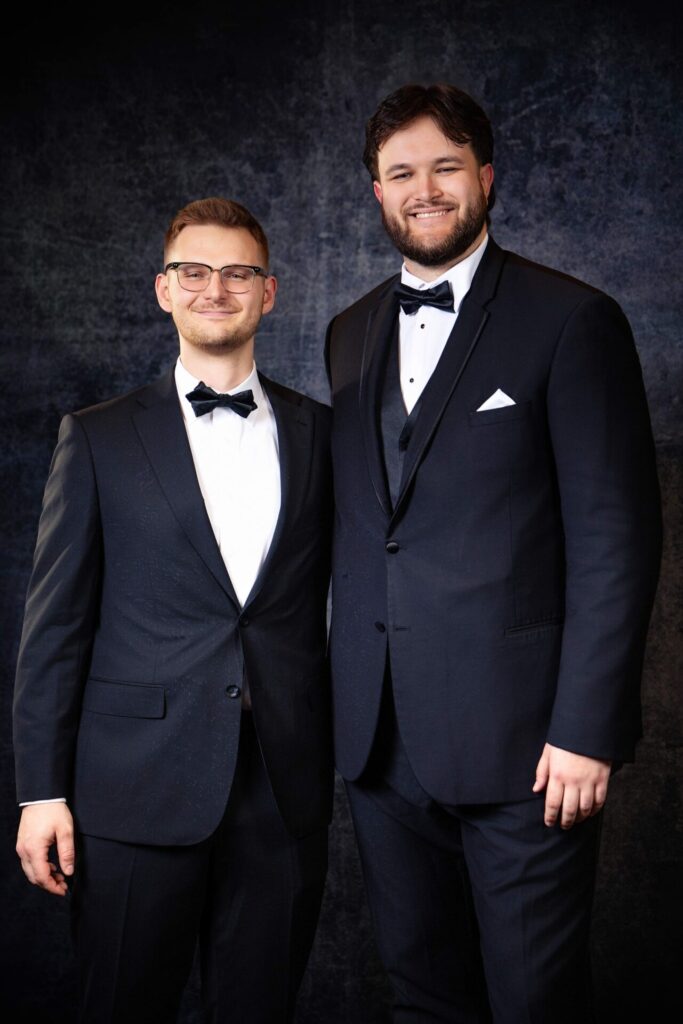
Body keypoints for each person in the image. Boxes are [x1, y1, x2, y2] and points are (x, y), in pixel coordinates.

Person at [325, 83, 662, 1023]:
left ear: (483, 176)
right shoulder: (347, 332)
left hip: (530, 750)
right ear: (378, 193)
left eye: (442, 167)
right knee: (423, 998)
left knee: (533, 1002)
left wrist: (587, 727)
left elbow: (616, 537)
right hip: (381, 742)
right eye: (400, 173)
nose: (422, 188)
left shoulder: (571, 320)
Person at [14, 197, 333, 1023]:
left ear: (269, 293)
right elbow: (55, 627)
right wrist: (40, 791)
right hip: (131, 793)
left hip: (281, 789)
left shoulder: (323, 436)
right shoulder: (96, 437)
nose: (214, 288)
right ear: (164, 290)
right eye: (194, 271)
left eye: (237, 273)